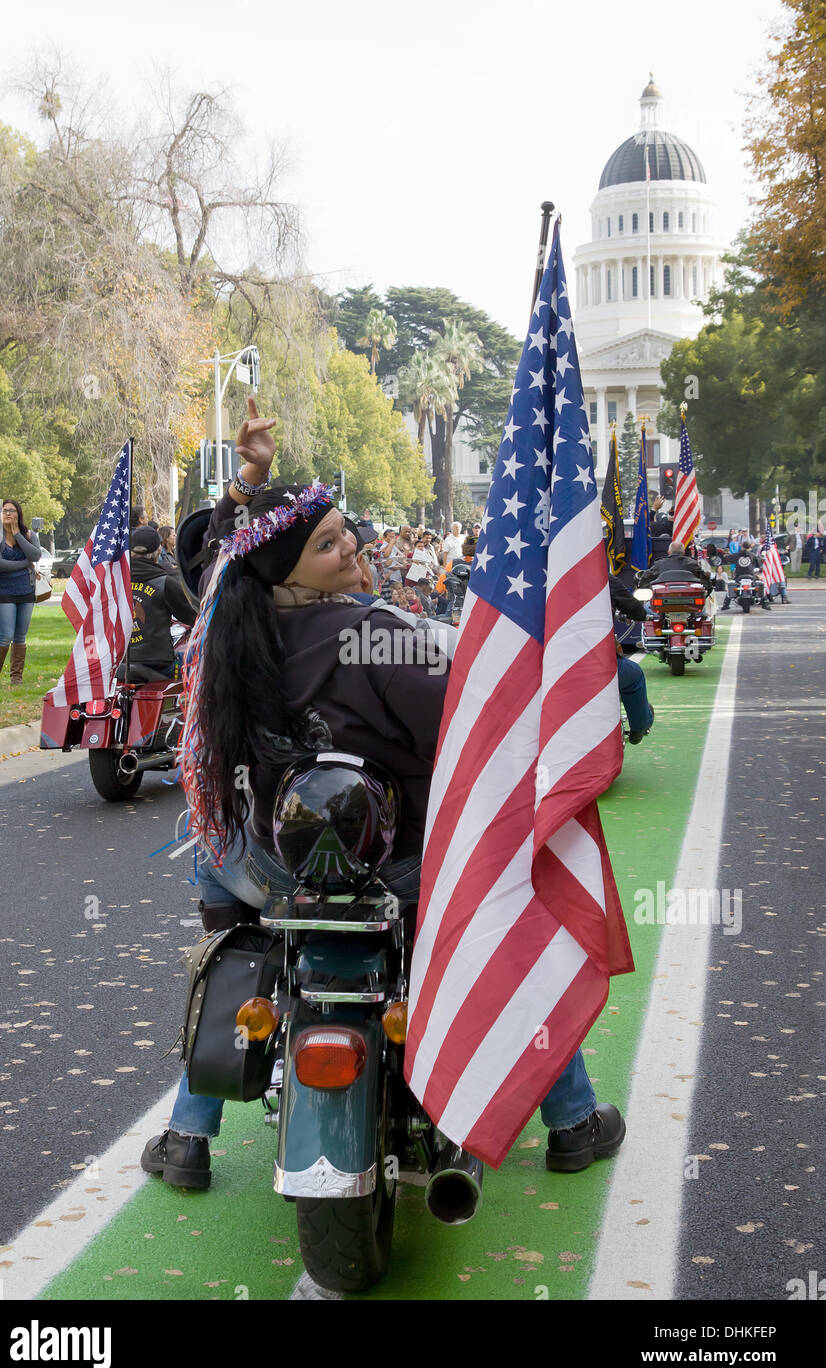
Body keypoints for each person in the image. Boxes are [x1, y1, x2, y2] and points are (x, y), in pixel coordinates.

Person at [141, 398, 626, 1189]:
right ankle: (572, 1119)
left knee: (213, 858)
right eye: (327, 543)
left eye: (346, 534)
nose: (351, 546)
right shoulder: (381, 633)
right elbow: (470, 735)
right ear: (289, 568)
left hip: (267, 868)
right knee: (513, 922)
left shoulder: (234, 635)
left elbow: (217, 559)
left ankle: (188, 1134)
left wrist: (245, 488)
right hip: (396, 869)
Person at [124, 526, 196, 681]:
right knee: (195, 659)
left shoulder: (116, 581)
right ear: (158, 551)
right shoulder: (165, 582)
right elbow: (192, 617)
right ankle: (192, 705)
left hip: (122, 661)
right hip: (159, 663)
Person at [0, 500, 42, 686]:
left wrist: (18, 534)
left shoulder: (28, 534)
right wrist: (25, 564)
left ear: (18, 513)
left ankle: (16, 677)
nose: (8, 513)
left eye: (12, 510)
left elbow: (36, 555)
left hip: (26, 590)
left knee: (20, 636)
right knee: (6, 635)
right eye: (5, 511)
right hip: (3, 591)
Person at [609, 573, 654, 744]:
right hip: (596, 666)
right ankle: (639, 727)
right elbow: (635, 608)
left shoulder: (543, 579)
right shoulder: (602, 578)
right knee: (634, 676)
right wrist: (643, 614)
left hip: (550, 670)